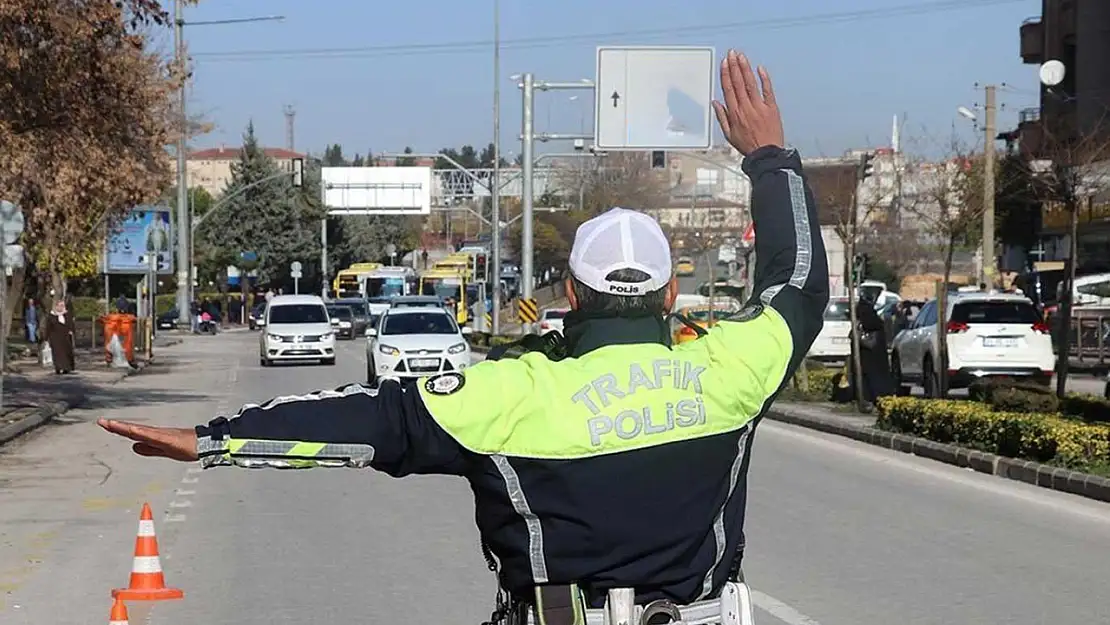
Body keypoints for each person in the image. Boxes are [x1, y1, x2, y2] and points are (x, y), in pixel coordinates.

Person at [99, 51, 828, 624]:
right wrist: (770, 157)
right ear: (671, 295)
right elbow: (795, 283)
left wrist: (215, 437)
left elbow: (366, 420)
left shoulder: (508, 392)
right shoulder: (732, 366)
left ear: (571, 293)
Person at [44, 300, 76, 375]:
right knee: (57, 353)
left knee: (66, 352)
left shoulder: (67, 314)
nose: (62, 307)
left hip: (65, 337)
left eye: (63, 306)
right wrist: (46, 338)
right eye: (60, 305)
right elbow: (48, 327)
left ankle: (66, 368)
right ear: (56, 306)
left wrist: (71, 331)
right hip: (55, 337)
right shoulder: (52, 316)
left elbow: (71, 324)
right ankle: (58, 368)